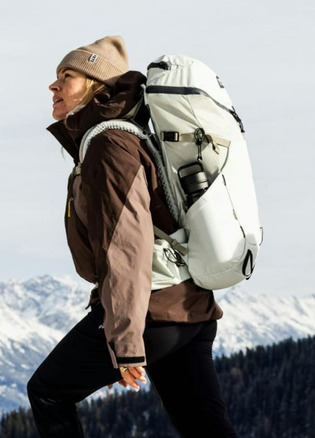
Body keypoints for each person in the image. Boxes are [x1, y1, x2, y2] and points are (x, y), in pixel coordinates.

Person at [27, 36, 237, 438]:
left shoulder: (108, 145)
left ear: (97, 87)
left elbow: (126, 245)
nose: (53, 86)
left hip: (152, 310)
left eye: (67, 76)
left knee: (48, 392)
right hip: (187, 307)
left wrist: (123, 342)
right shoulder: (130, 137)